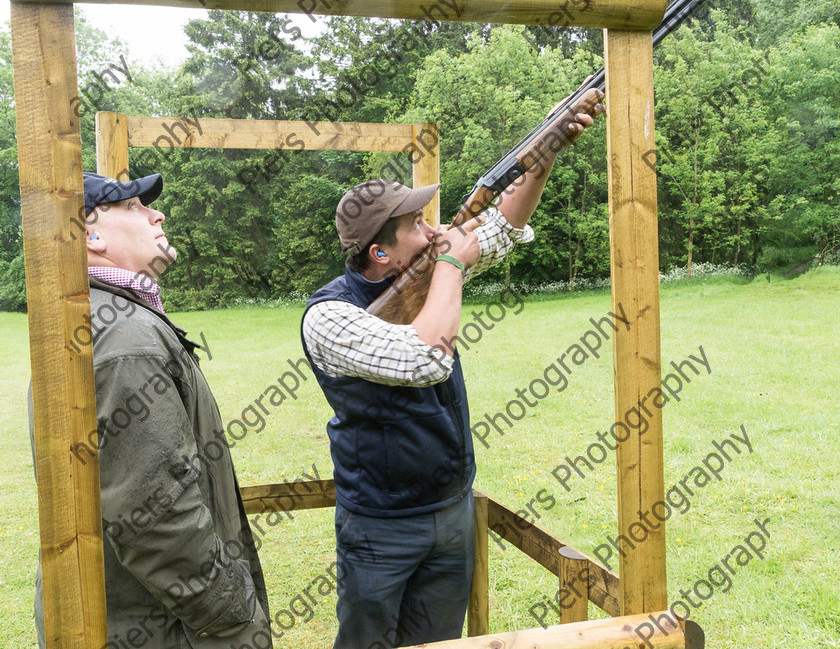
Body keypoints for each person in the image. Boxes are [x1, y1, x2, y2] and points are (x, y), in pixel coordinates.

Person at [301, 91, 604, 647]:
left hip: (451, 507)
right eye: (417, 223)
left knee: (439, 641)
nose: (435, 229)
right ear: (381, 254)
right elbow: (425, 358)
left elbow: (503, 226)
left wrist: (545, 155)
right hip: (380, 524)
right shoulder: (329, 317)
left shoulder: (425, 269)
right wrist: (449, 263)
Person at [32, 172, 272, 648]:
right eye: (133, 206)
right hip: (165, 628)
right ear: (91, 235)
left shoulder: (107, 317)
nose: (155, 214)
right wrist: (231, 614)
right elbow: (156, 517)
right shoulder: (124, 339)